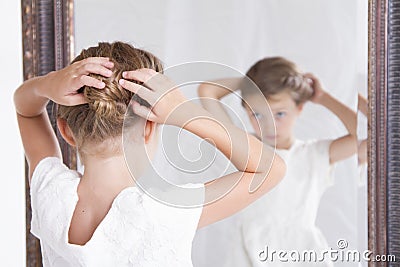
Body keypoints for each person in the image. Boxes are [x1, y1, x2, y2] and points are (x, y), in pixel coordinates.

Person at [14, 42, 286, 267]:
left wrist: (47, 85)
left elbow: (25, 108)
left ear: (66, 130)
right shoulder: (164, 213)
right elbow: (270, 169)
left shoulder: (51, 195)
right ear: (149, 130)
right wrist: (184, 112)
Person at [198, 57, 358, 266]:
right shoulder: (247, 149)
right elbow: (207, 91)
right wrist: (249, 83)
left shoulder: (315, 154)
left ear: (299, 108)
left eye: (280, 114)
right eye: (257, 114)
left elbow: (366, 135)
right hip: (250, 254)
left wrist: (323, 97)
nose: (270, 125)